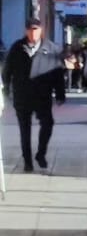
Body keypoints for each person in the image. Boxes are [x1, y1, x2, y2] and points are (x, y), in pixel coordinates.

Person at [3, 18, 64, 171]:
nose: (33, 32)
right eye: (30, 29)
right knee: (25, 129)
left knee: (48, 123)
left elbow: (58, 73)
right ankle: (27, 161)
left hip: (42, 95)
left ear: (41, 30)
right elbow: (7, 70)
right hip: (22, 95)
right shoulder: (17, 48)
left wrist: (60, 94)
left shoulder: (50, 49)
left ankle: (41, 154)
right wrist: (6, 89)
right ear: (26, 30)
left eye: (36, 29)